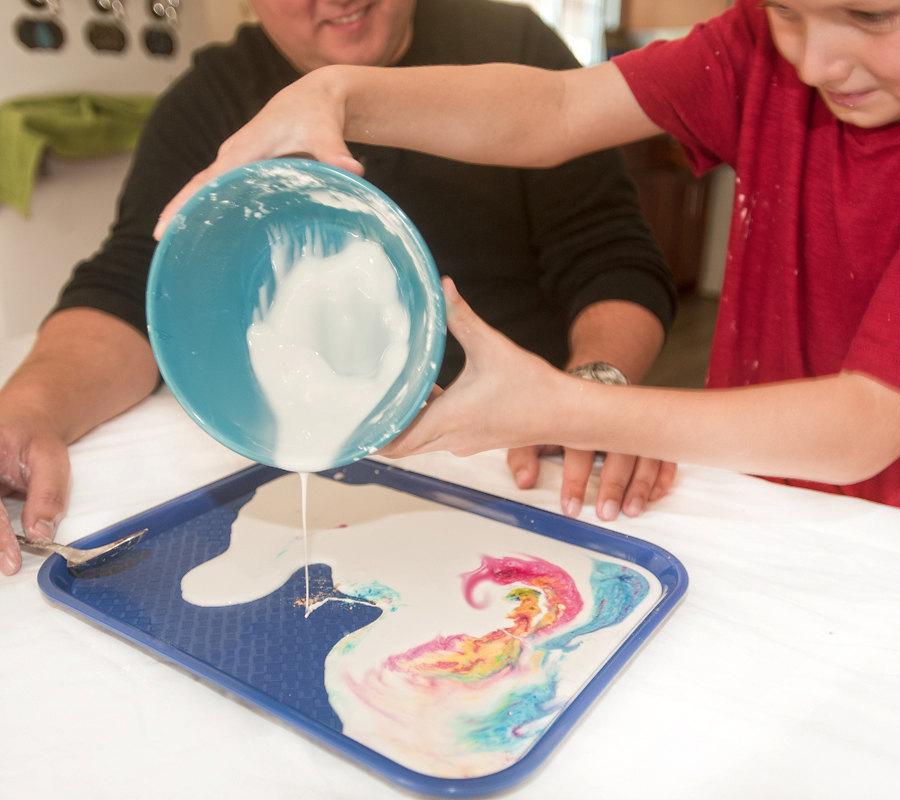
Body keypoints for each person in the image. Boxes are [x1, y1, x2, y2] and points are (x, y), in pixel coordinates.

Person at [158, 0, 900, 535]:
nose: (815, 63)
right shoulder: (759, 48)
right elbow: (554, 109)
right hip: (767, 498)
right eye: (787, 9)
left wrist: (575, 406)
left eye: (875, 13)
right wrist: (340, 93)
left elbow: (862, 429)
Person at [0, 0, 680, 576]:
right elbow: (128, 287)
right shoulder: (210, 99)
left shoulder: (513, 48)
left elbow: (611, 253)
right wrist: (31, 409)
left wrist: (593, 386)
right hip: (324, 475)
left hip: (516, 460)